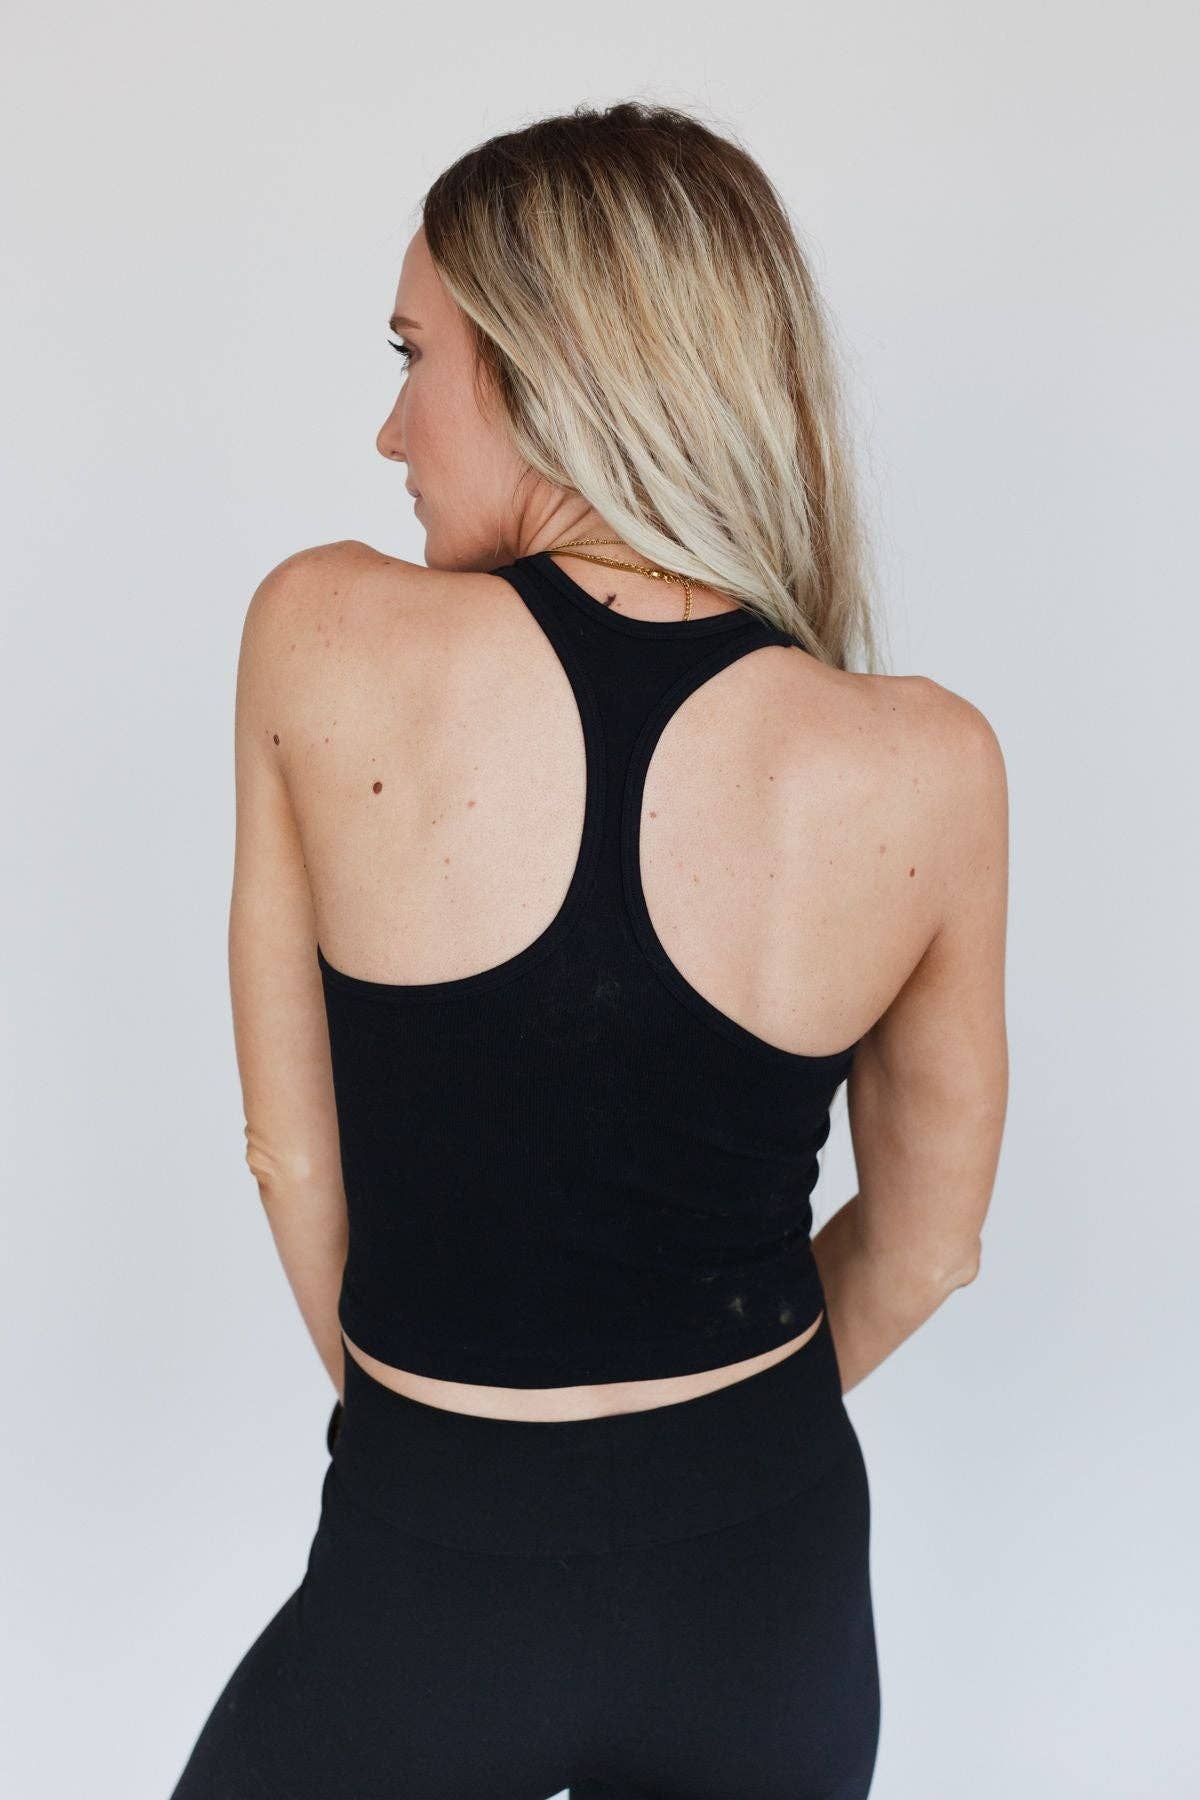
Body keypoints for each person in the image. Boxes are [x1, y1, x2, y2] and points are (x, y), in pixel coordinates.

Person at [168, 100, 1008, 1800]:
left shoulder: (321, 633)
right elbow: (928, 1251)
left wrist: (457, 1461)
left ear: (555, 360)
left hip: (431, 1560)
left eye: (414, 354)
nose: (391, 427)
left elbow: (288, 1151)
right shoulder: (926, 762)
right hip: (766, 1583)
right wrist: (691, 1463)